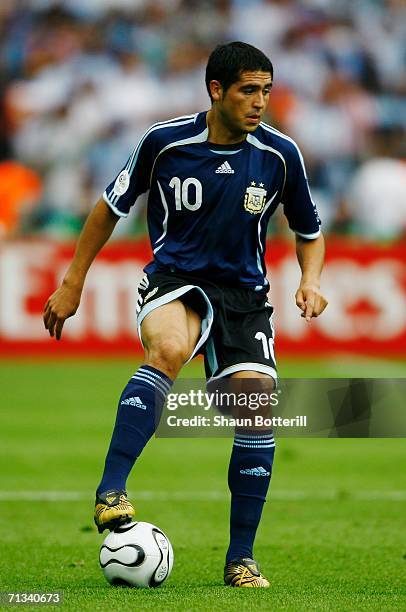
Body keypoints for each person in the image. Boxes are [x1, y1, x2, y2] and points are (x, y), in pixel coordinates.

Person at [43, 41, 327, 588]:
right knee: (169, 349)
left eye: (266, 90)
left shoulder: (280, 153)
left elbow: (309, 232)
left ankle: (240, 559)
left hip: (244, 297)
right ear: (215, 90)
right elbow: (109, 209)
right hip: (175, 280)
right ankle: (111, 490)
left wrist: (311, 280)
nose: (260, 102)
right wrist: (72, 281)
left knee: (255, 410)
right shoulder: (165, 142)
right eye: (248, 90)